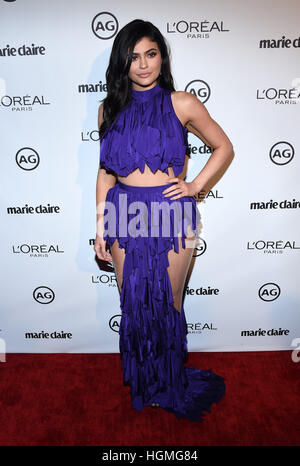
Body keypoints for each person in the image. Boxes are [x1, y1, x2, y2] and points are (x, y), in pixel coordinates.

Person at [94, 19, 233, 422]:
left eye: (150, 54)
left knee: (167, 304)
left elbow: (223, 146)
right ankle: (146, 383)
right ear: (122, 62)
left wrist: (195, 187)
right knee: (134, 305)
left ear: (162, 56)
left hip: (170, 213)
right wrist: (101, 223)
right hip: (124, 211)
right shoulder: (108, 109)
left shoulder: (182, 102)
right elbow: (104, 172)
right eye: (133, 57)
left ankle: (170, 383)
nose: (142, 65)